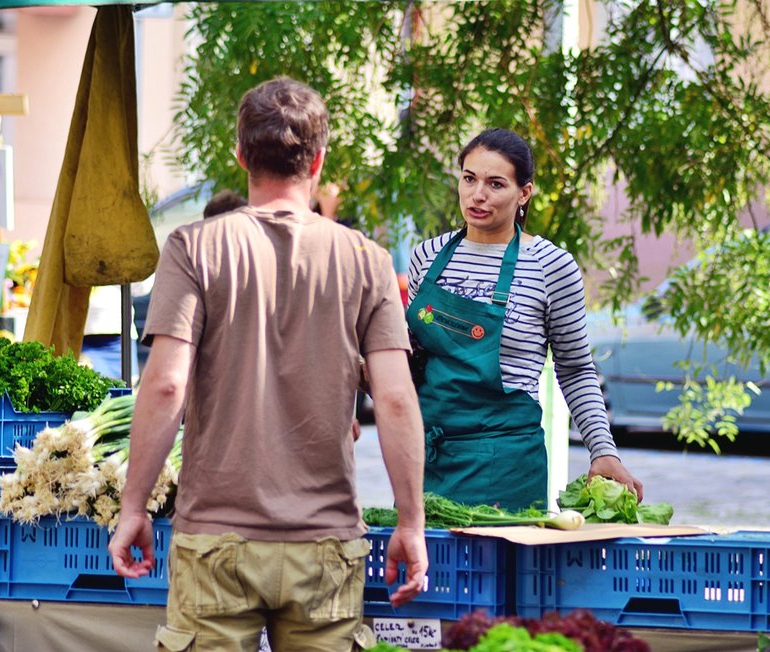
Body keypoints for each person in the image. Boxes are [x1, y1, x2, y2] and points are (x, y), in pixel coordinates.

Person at [108, 77, 428, 652]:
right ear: (319, 160)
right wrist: (411, 523)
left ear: (240, 155)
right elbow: (398, 399)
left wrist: (134, 506)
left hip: (214, 543)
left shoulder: (193, 246)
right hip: (325, 546)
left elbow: (164, 387)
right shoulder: (368, 260)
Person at [406, 128, 643, 511]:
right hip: (427, 457)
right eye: (469, 179)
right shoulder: (428, 257)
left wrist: (603, 451)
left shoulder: (551, 266)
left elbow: (576, 368)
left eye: (495, 183)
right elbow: (414, 360)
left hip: (506, 466)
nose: (477, 194)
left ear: (524, 193)